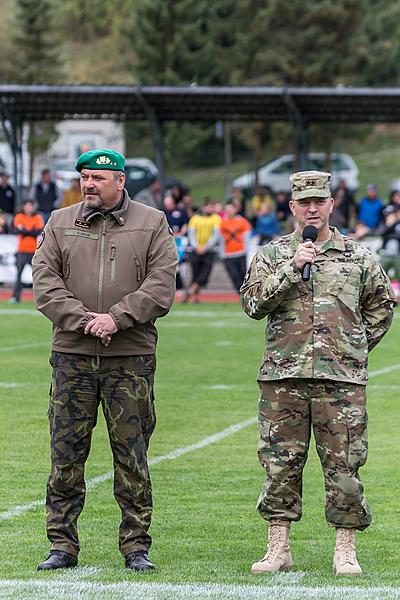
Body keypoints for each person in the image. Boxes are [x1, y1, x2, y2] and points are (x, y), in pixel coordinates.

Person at [241, 170, 396, 576]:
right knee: (279, 465)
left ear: (331, 205)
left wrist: (353, 348)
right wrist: (293, 268)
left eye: (319, 202)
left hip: (341, 380)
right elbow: (253, 304)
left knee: (344, 465)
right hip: (283, 378)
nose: (312, 209)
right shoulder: (273, 254)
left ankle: (345, 549)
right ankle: (278, 548)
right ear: (291, 207)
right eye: (304, 203)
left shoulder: (358, 256)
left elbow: (382, 308)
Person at [32, 149, 178, 572]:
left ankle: (136, 547)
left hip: (130, 359)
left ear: (120, 180)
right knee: (65, 455)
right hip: (72, 357)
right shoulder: (60, 223)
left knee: (131, 456)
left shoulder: (152, 223)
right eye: (84, 177)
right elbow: (45, 283)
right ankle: (62, 545)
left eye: (97, 177)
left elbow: (161, 285)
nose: (88, 185)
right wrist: (86, 322)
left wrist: (116, 319)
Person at [185, 197, 221, 303]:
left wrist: (205, 247)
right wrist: (197, 246)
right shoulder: (194, 219)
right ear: (204, 207)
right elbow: (191, 235)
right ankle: (195, 297)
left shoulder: (216, 218)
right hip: (195, 250)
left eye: (212, 207)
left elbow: (215, 236)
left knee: (205, 273)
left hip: (209, 251)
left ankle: (191, 291)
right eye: (209, 207)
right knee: (196, 273)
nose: (210, 210)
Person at [9, 199, 44, 303]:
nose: (29, 208)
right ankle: (15, 297)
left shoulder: (38, 217)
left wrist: (26, 231)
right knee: (18, 274)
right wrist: (31, 231)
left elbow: (38, 231)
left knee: (38, 275)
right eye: (28, 205)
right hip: (21, 250)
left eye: (31, 206)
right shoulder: (19, 217)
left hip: (34, 251)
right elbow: (17, 230)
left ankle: (41, 298)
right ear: (24, 206)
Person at [219, 200, 251, 293]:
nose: (229, 211)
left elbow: (247, 236)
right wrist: (222, 253)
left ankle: (246, 295)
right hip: (228, 254)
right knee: (234, 276)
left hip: (240, 252)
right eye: (227, 209)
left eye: (231, 209)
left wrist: (246, 250)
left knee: (243, 276)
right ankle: (241, 294)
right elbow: (221, 239)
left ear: (235, 209)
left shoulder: (242, 221)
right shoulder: (222, 223)